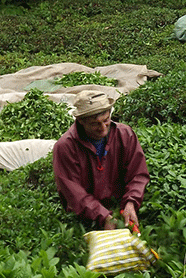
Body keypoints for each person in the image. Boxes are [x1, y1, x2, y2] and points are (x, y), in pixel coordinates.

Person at [52, 90, 150, 230]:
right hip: (84, 218)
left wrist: (131, 202)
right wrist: (103, 216)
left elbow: (138, 174)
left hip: (120, 205)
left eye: (106, 120)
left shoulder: (125, 134)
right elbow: (73, 192)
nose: (103, 128)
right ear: (81, 121)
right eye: (94, 124)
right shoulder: (65, 147)